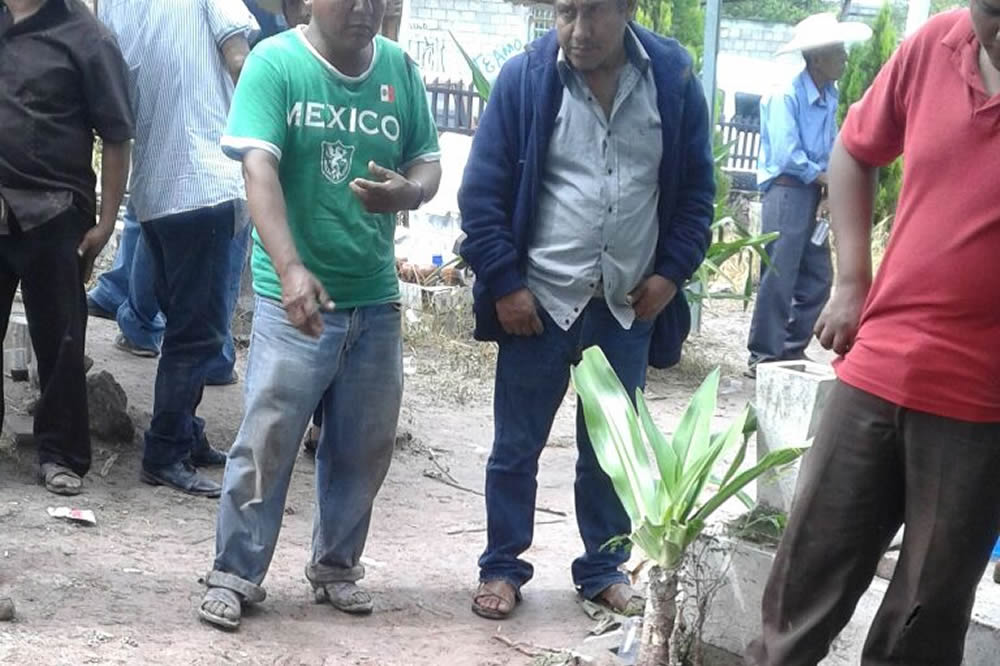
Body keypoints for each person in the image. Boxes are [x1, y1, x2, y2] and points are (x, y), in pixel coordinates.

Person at [746, 4, 1000, 664]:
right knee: (800, 590)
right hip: (879, 366)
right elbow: (855, 150)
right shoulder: (936, 43)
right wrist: (852, 280)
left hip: (981, 401)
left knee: (923, 617)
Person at [459, 0, 714, 619]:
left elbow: (696, 194)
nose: (576, 31)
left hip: (625, 308)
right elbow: (481, 193)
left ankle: (602, 567)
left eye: (592, 13)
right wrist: (506, 285)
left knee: (611, 451)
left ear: (627, 8)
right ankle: (502, 567)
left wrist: (670, 275)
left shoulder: (673, 79)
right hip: (538, 305)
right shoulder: (526, 79)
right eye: (564, 12)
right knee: (515, 446)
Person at [198, 0, 441, 630]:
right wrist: (289, 270)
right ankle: (234, 572)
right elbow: (259, 170)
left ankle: (337, 567)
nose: (365, 8)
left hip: (374, 297)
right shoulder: (275, 65)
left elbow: (428, 161)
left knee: (364, 443)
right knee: (267, 441)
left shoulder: (400, 71)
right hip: (292, 300)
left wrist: (409, 192)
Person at [98, 0, 258, 497]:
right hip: (205, 180)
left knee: (182, 324)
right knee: (197, 335)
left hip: (155, 191)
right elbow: (240, 60)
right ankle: (165, 450)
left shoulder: (115, 6)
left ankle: (184, 435)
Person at [0, 0, 133, 495]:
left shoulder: (88, 37)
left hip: (56, 212)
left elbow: (117, 137)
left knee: (61, 340)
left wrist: (104, 224)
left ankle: (61, 454)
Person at [744, 13, 871, 379]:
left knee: (818, 276)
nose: (845, 58)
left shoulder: (828, 95)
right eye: (838, 51)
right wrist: (827, 179)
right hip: (787, 191)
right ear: (817, 58)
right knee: (780, 275)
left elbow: (831, 145)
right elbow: (788, 155)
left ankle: (789, 350)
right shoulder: (786, 95)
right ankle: (763, 356)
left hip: (812, 189)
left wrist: (830, 186)